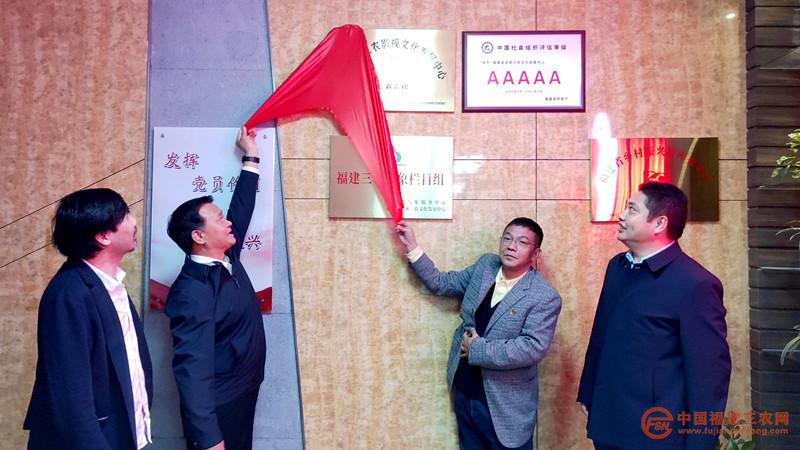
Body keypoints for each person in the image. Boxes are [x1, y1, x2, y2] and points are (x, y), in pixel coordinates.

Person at [577, 182, 732, 450]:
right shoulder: (618, 267)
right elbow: (601, 335)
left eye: (632, 209)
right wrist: (588, 392)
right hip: (608, 420)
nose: (621, 215)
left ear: (659, 223)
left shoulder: (695, 283)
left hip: (655, 433)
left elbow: (708, 376)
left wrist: (701, 443)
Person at [396, 218, 562, 450]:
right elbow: (442, 283)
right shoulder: (486, 266)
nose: (511, 246)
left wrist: (476, 349)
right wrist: (413, 246)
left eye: (522, 242)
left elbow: (531, 348)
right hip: (466, 392)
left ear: (535, 254)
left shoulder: (544, 296)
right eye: (507, 238)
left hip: (505, 408)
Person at [24, 188, 152, 450]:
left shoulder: (108, 284)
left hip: (119, 434)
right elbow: (71, 399)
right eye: (126, 214)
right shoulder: (69, 294)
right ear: (103, 236)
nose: (134, 221)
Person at [165, 126, 266, 450]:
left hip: (245, 390)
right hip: (220, 406)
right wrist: (208, 437)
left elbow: (242, 209)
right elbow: (191, 371)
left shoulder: (227, 256)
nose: (228, 222)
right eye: (219, 220)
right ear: (199, 236)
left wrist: (251, 157)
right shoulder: (191, 292)